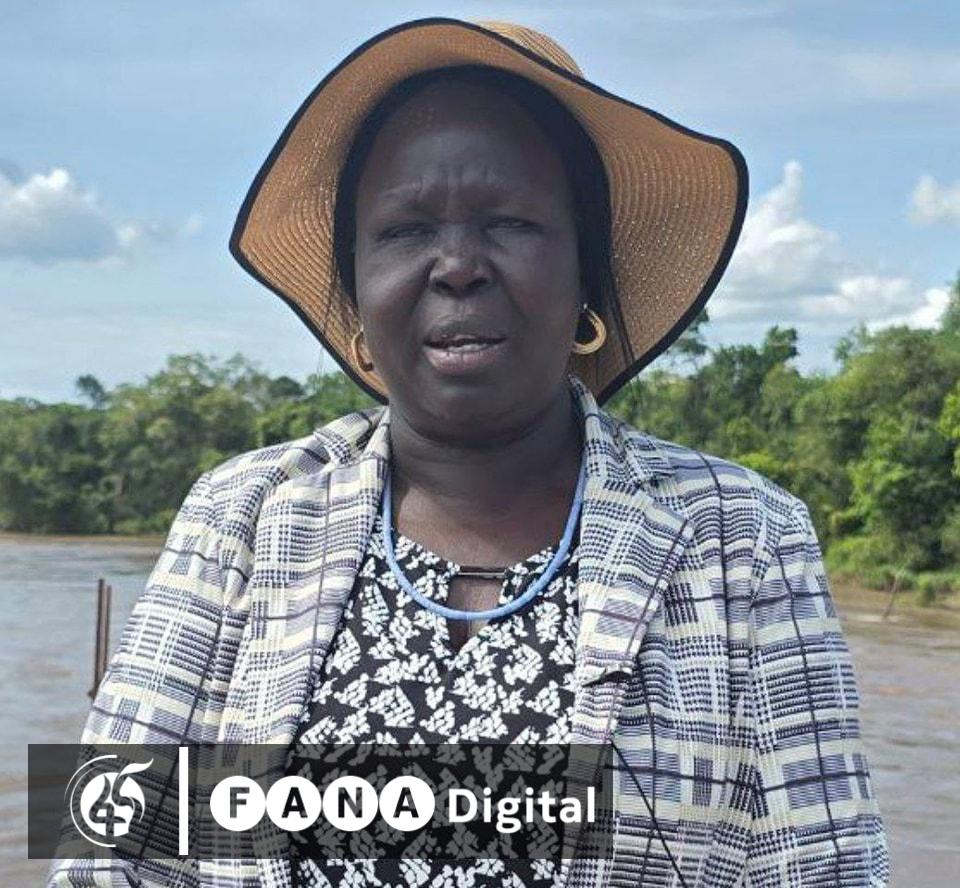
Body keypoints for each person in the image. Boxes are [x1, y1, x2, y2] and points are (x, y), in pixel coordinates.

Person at [48, 17, 888, 888]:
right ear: (356, 292)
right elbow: (109, 858)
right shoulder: (244, 515)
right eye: (406, 230)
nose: (456, 266)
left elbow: (825, 869)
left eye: (510, 222)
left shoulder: (745, 539)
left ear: (586, 276)